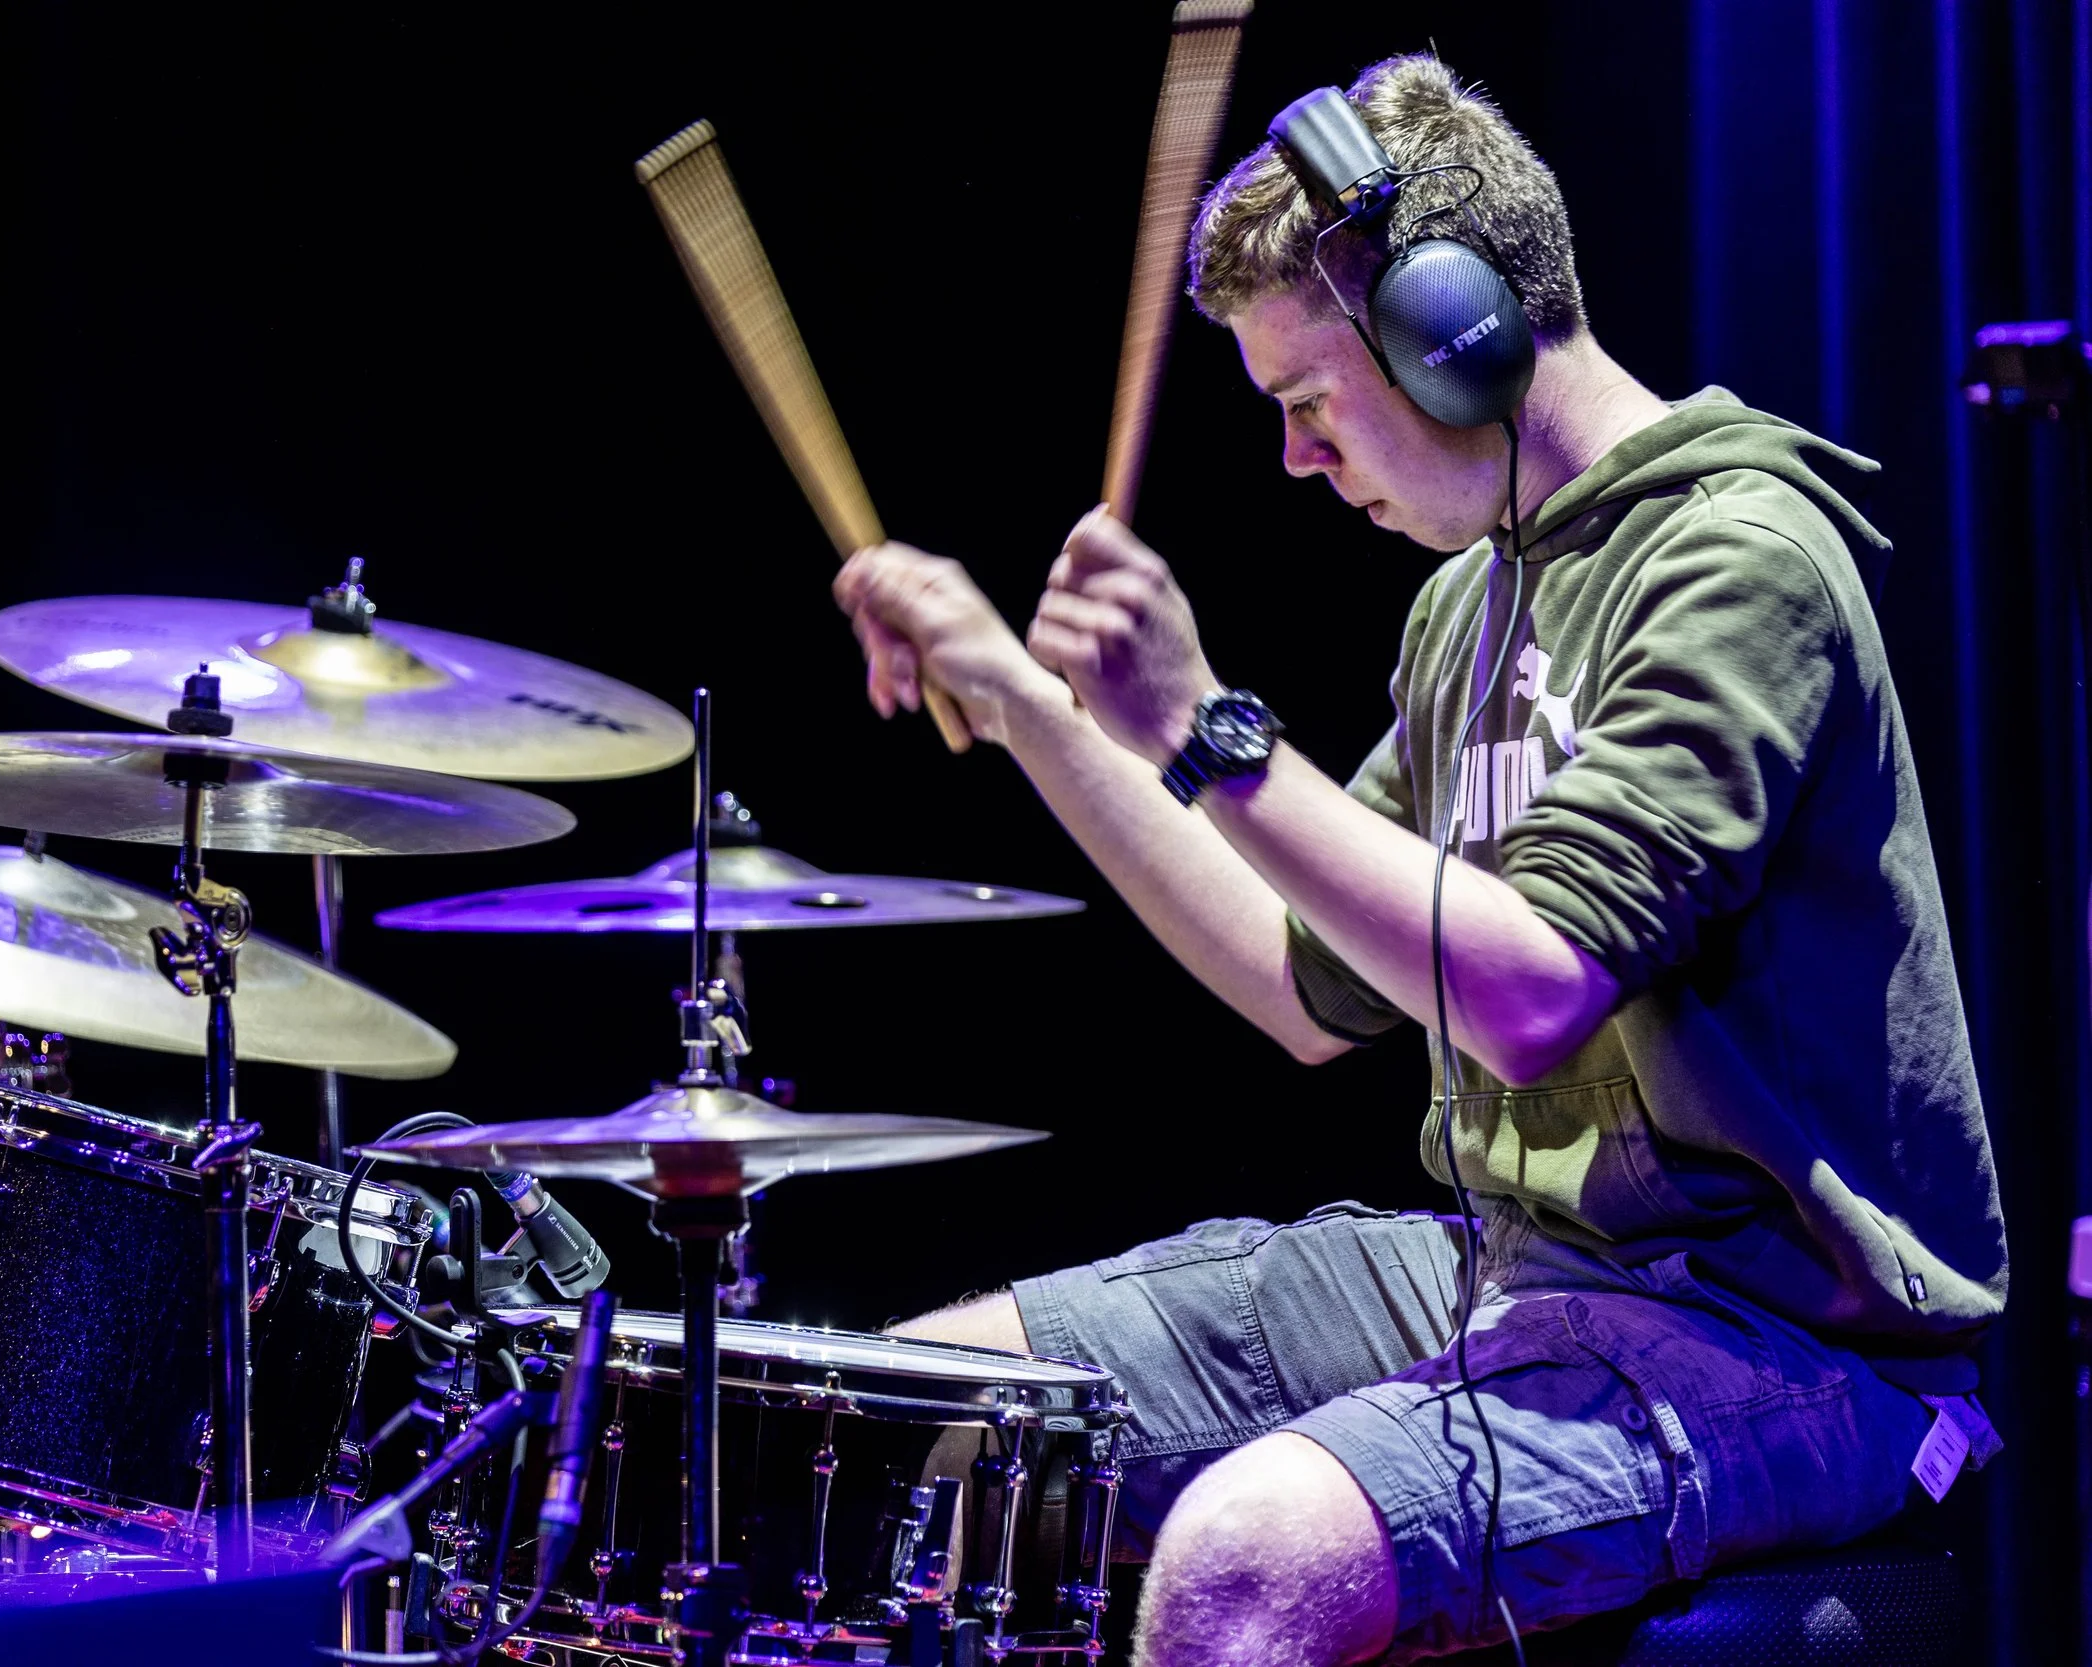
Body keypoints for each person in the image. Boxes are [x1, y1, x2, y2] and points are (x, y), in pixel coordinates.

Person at [833, 53, 2006, 1667]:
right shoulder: (1469, 602)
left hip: (1778, 1331)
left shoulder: (1737, 562)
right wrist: (1033, 700)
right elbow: (1305, 979)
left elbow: (1529, 991)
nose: (1301, 463)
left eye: (1311, 401)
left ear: (1457, 340)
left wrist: (1210, 733)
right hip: (1521, 1270)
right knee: (934, 1411)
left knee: (1247, 1556)